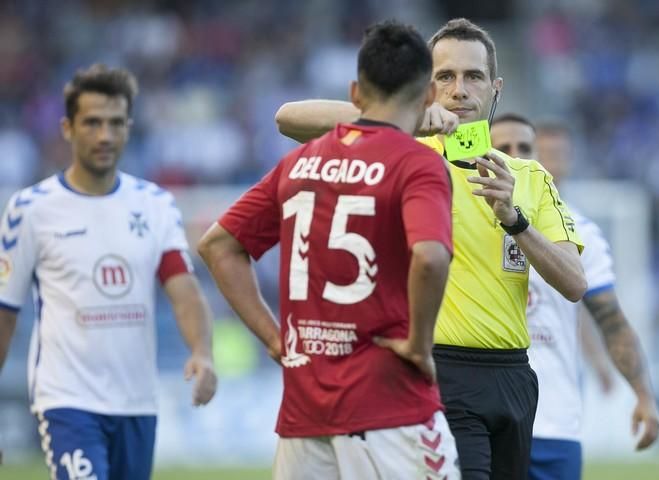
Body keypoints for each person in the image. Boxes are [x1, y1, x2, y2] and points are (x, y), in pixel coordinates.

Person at [274, 17, 587, 480]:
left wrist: (514, 219)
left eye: (473, 76)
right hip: (438, 369)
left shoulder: (527, 177)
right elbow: (288, 118)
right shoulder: (401, 154)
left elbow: (576, 282)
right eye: (445, 77)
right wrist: (408, 120)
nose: (460, 90)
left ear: (495, 88)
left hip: (514, 377)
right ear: (425, 87)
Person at [198, 21, 460, 479]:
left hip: (304, 413)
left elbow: (218, 246)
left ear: (355, 93)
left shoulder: (301, 161)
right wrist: (419, 345)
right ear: (428, 99)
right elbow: (432, 255)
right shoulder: (417, 162)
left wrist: (275, 337)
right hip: (390, 405)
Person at [0, 64, 217, 480]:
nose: (105, 136)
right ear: (67, 128)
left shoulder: (155, 204)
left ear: (129, 127)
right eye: (93, 123)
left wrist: (202, 352)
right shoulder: (31, 209)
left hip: (137, 403)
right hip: (67, 400)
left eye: (116, 123)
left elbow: (184, 288)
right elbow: (4, 314)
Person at [490, 113, 659, 480]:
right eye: (505, 149)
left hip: (554, 422)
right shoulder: (462, 221)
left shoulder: (582, 234)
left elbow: (610, 319)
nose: (520, 157)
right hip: (485, 415)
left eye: (527, 149)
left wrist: (643, 395)